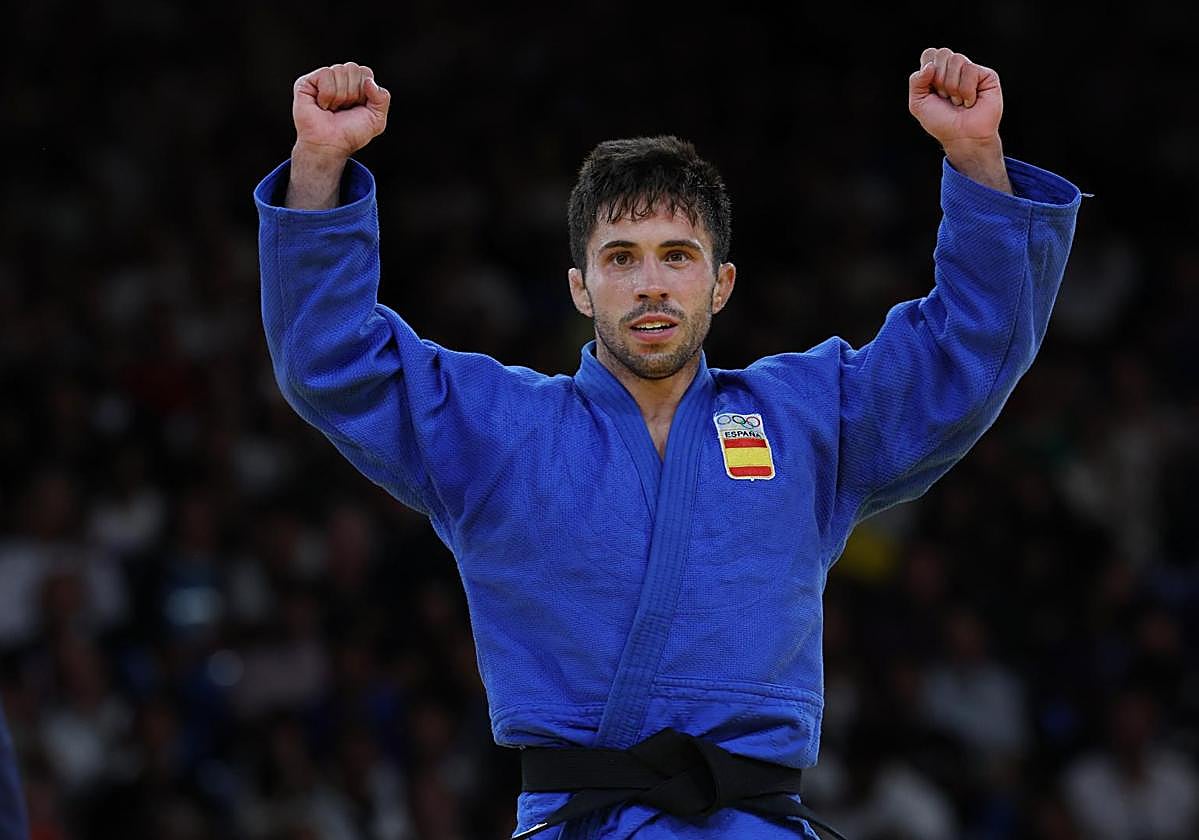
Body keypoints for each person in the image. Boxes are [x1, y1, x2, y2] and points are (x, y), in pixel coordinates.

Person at [254, 47, 1082, 839]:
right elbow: (332, 360)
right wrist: (319, 163)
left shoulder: (805, 420)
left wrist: (975, 156)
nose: (650, 284)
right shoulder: (499, 430)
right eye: (621, 258)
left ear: (720, 284)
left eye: (676, 256)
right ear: (580, 287)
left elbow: (962, 355)